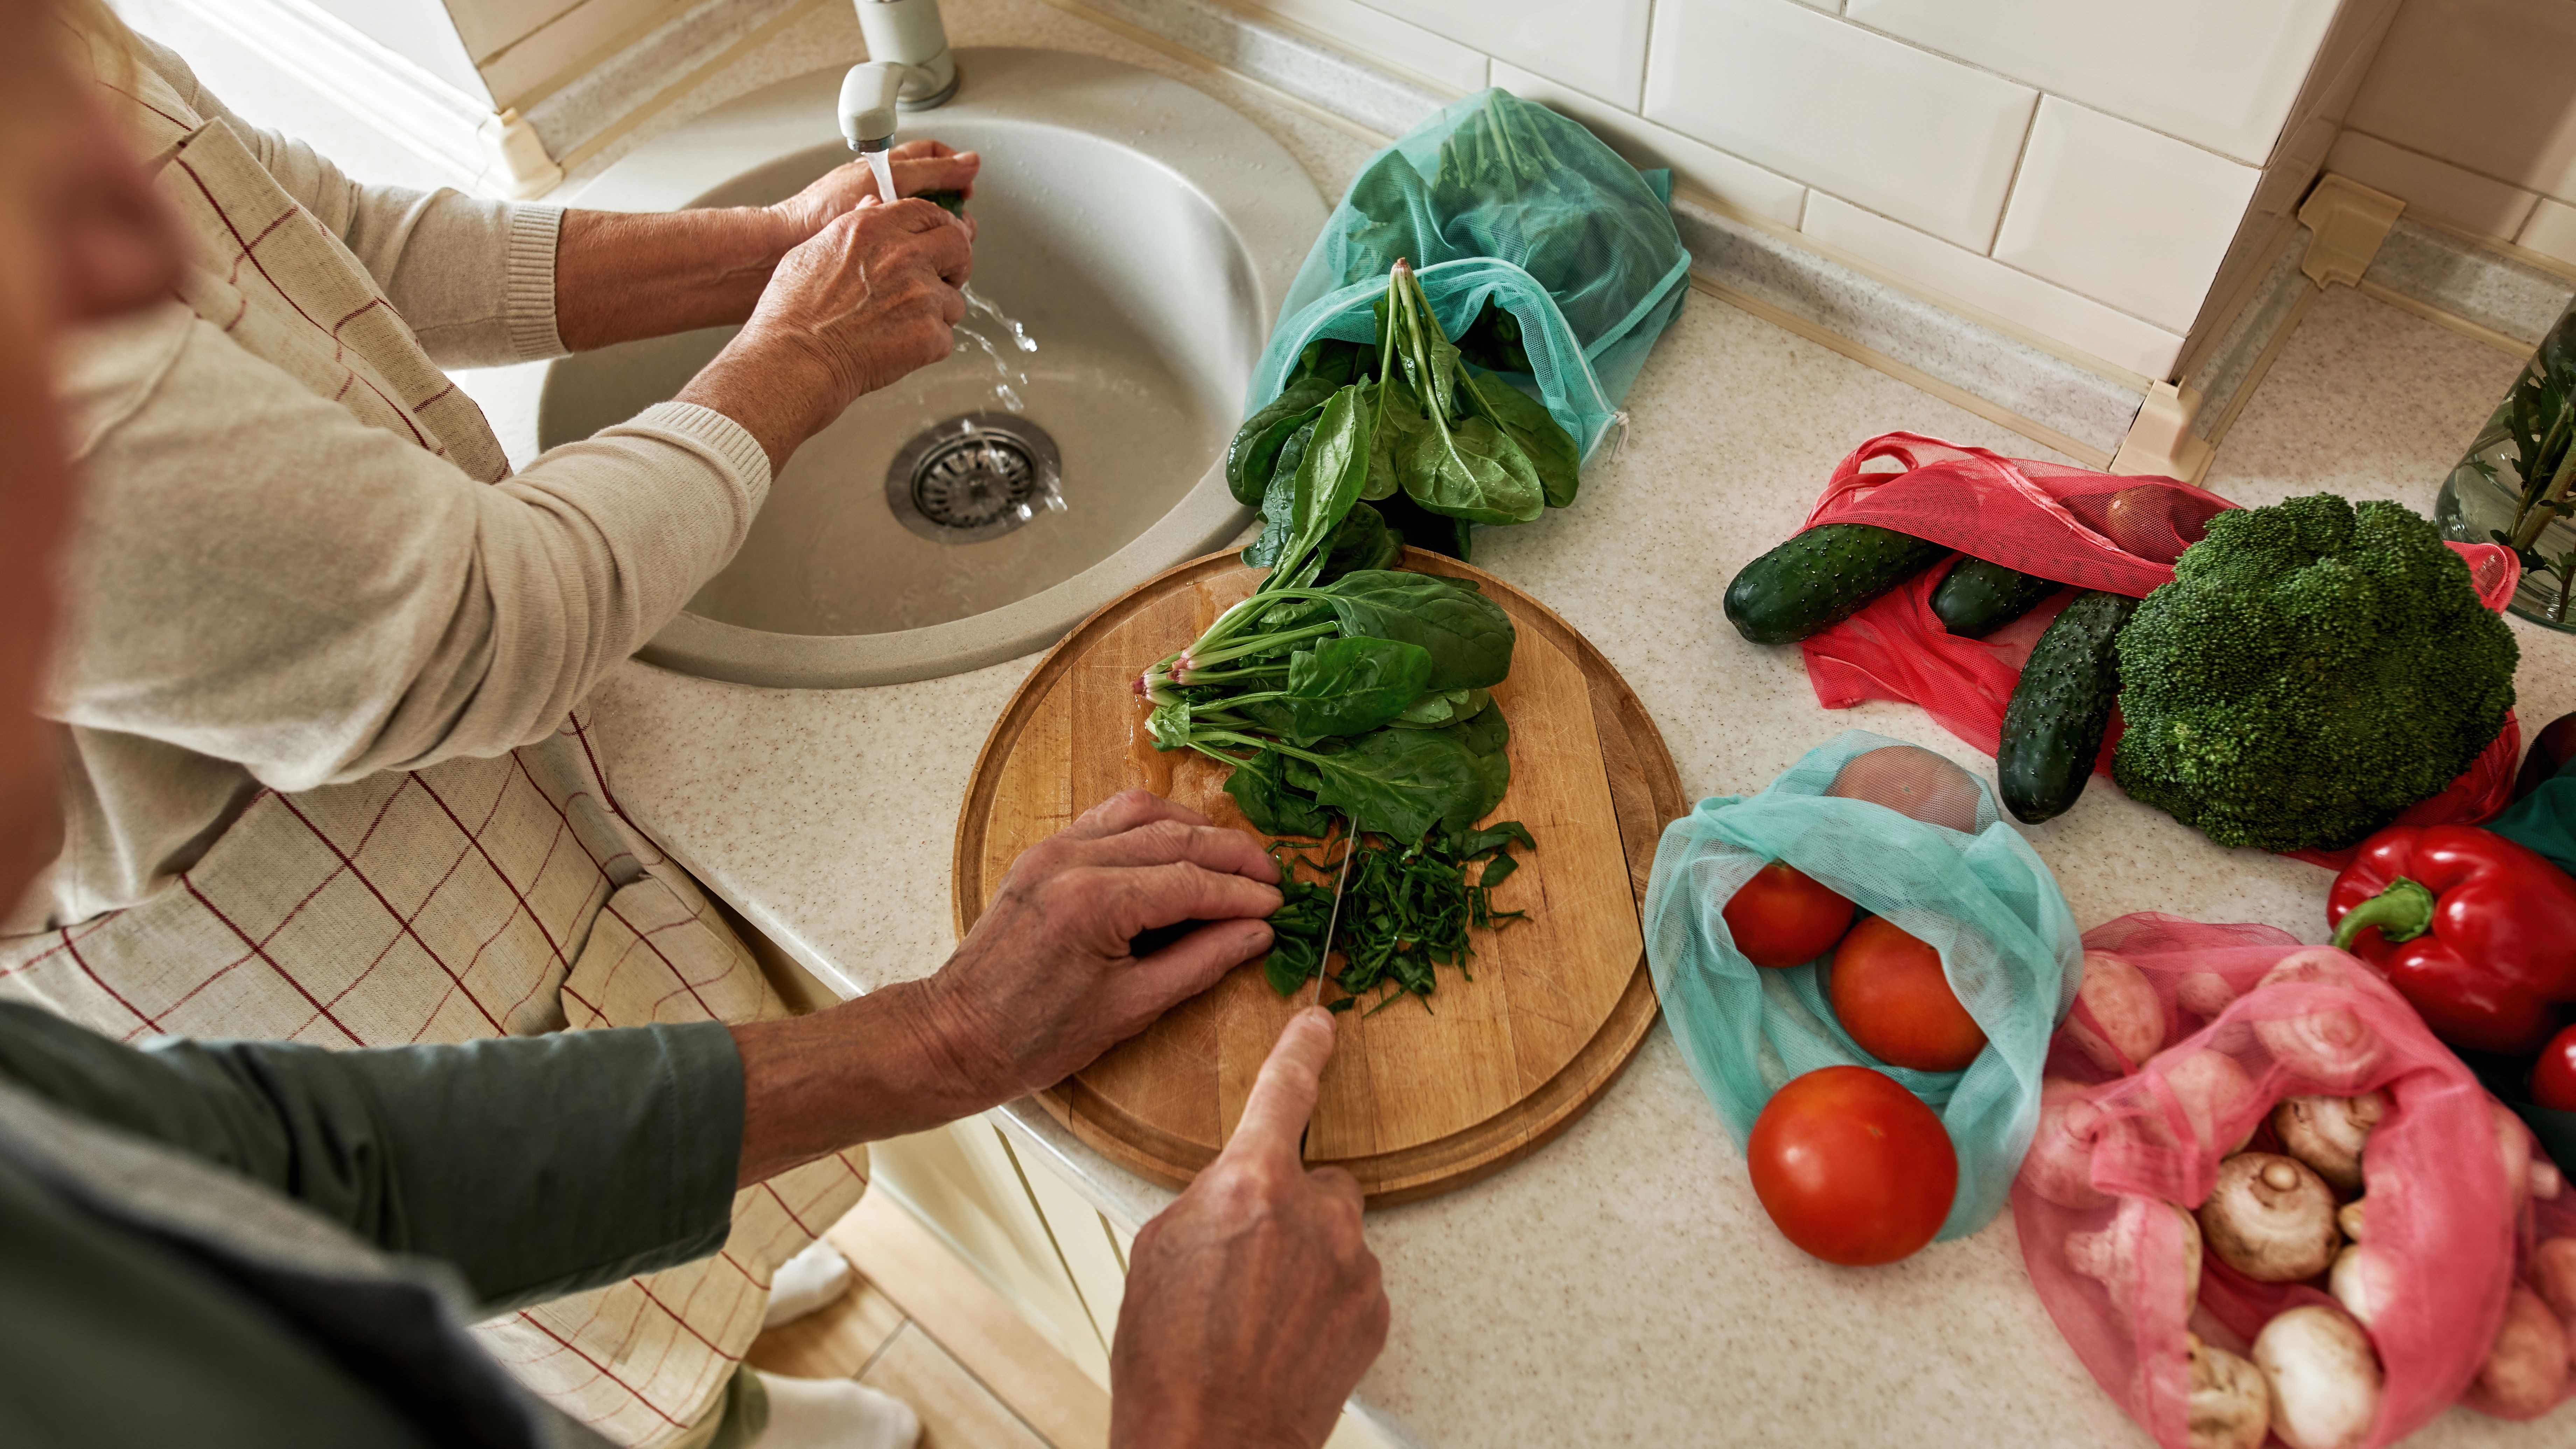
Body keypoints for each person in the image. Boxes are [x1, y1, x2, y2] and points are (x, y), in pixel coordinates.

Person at [0, 9, 1391, 1446]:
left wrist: (763, 258)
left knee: (644, 1266)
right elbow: (470, 629)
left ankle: (727, 1401)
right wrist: (1193, 1422)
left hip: (474, 874)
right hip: (314, 947)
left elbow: (345, 1167)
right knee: (597, 1365)